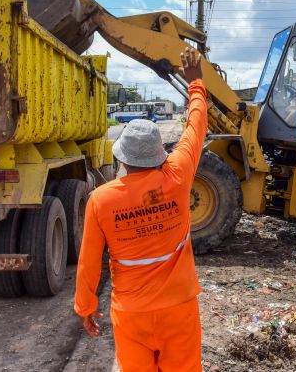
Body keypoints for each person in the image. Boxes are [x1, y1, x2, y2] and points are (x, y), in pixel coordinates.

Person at [74, 48, 207, 372]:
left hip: (131, 313)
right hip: (179, 308)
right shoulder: (177, 176)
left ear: (122, 159)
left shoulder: (101, 200)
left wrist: (86, 306)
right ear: (159, 154)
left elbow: (89, 261)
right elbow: (196, 126)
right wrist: (196, 82)